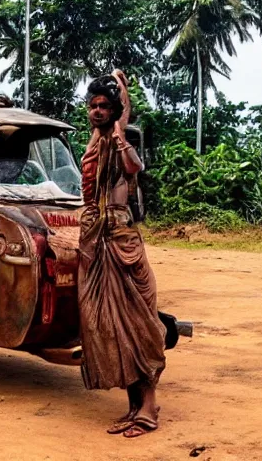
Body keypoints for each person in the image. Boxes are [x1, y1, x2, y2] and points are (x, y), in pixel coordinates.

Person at [77, 70, 167, 439]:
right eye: (93, 105)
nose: (98, 111)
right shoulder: (92, 143)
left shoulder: (117, 142)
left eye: (105, 106)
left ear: (114, 111)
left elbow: (134, 168)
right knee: (107, 327)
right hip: (95, 244)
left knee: (136, 325)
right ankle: (133, 406)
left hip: (121, 243)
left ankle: (148, 406)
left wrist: (122, 118)